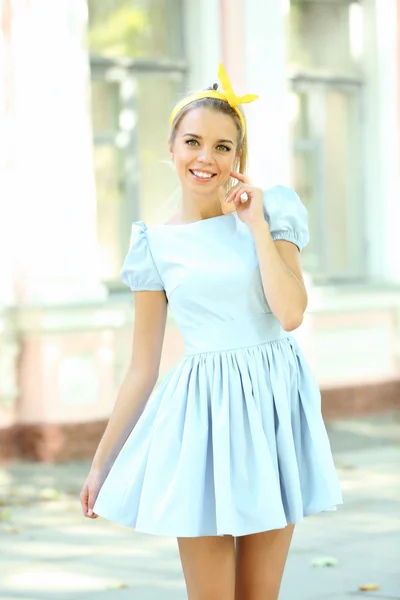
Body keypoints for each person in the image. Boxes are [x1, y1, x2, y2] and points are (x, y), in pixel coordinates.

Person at [80, 63, 343, 600]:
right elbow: (141, 366)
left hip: (274, 409)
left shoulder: (273, 211)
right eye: (194, 142)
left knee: (258, 595)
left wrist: (255, 227)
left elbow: (290, 313)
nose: (207, 158)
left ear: (237, 158)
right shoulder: (154, 245)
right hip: (204, 420)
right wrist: (102, 462)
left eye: (224, 147)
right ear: (172, 148)